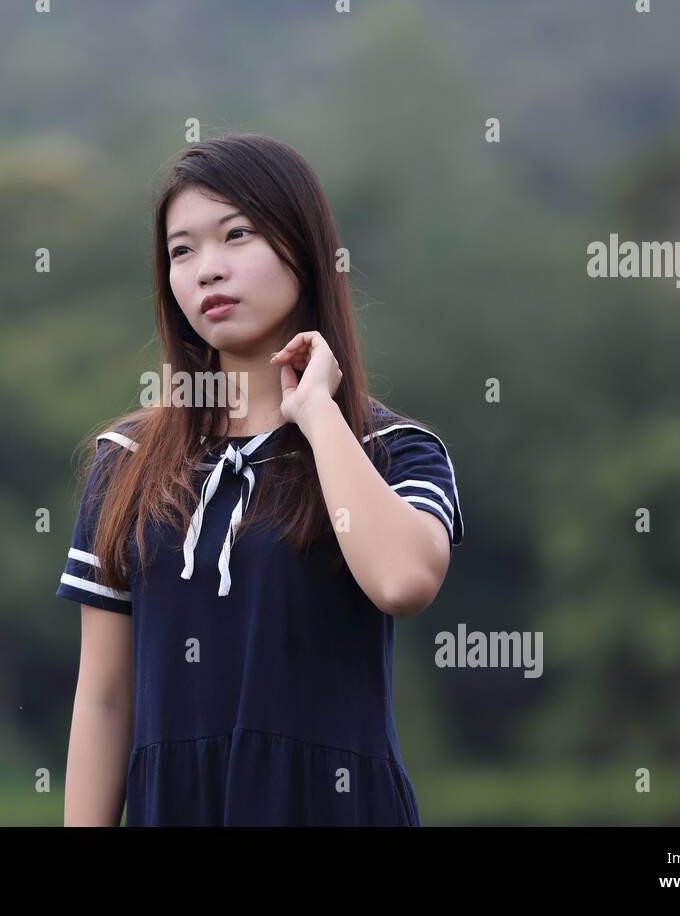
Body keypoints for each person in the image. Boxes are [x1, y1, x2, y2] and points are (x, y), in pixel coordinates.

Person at [58, 132, 463, 826]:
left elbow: (403, 583)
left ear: (305, 249)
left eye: (236, 235)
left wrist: (317, 414)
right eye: (182, 250)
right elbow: (104, 698)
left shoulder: (394, 450)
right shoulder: (125, 462)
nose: (207, 270)